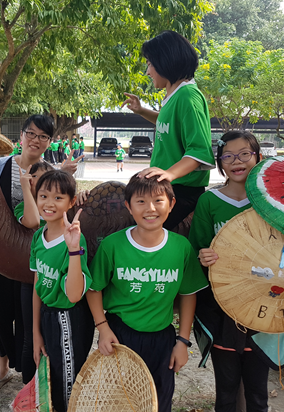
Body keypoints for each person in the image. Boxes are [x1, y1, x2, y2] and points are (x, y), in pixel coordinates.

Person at [86, 174, 208, 412]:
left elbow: (188, 294)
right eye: (140, 201)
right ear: (128, 207)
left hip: (162, 339)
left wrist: (182, 341)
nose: (150, 209)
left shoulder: (181, 247)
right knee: (119, 402)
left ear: (171, 204)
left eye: (158, 200)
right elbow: (94, 289)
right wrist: (103, 328)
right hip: (120, 335)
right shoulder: (112, 245)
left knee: (158, 402)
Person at [0, 115, 81, 395]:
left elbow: (61, 201)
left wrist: (68, 176)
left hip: (34, 255)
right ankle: (2, 370)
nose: (36, 140)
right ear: (21, 136)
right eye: (31, 134)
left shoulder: (48, 172)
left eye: (43, 136)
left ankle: (31, 374)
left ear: (49, 142)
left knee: (26, 315)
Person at [188, 131, 271, 412]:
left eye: (245, 154)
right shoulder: (209, 202)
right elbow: (196, 249)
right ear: (220, 163)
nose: (237, 161)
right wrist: (203, 256)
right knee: (225, 392)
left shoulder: (271, 204)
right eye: (228, 156)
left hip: (264, 307)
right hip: (222, 309)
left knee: (258, 393)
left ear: (258, 157)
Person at [122, 30, 215, 231]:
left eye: (149, 64)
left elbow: (199, 151)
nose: (148, 72)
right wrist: (141, 111)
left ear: (166, 61)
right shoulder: (173, 96)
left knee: (141, 231)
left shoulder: (188, 97)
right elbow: (168, 125)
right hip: (167, 185)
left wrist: (169, 174)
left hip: (182, 190)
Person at [31, 170, 94, 412]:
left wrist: (73, 249)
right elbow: (37, 285)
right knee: (54, 375)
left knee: (69, 381)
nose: (49, 203)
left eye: (58, 198)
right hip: (48, 316)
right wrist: (36, 331)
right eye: (43, 196)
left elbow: (75, 295)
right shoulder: (39, 236)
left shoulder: (76, 241)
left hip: (68, 317)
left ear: (71, 201)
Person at [17, 160, 54, 229]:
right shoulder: (22, 207)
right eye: (35, 176)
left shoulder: (58, 204)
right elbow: (32, 223)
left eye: (45, 176)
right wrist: (26, 189)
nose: (40, 180)